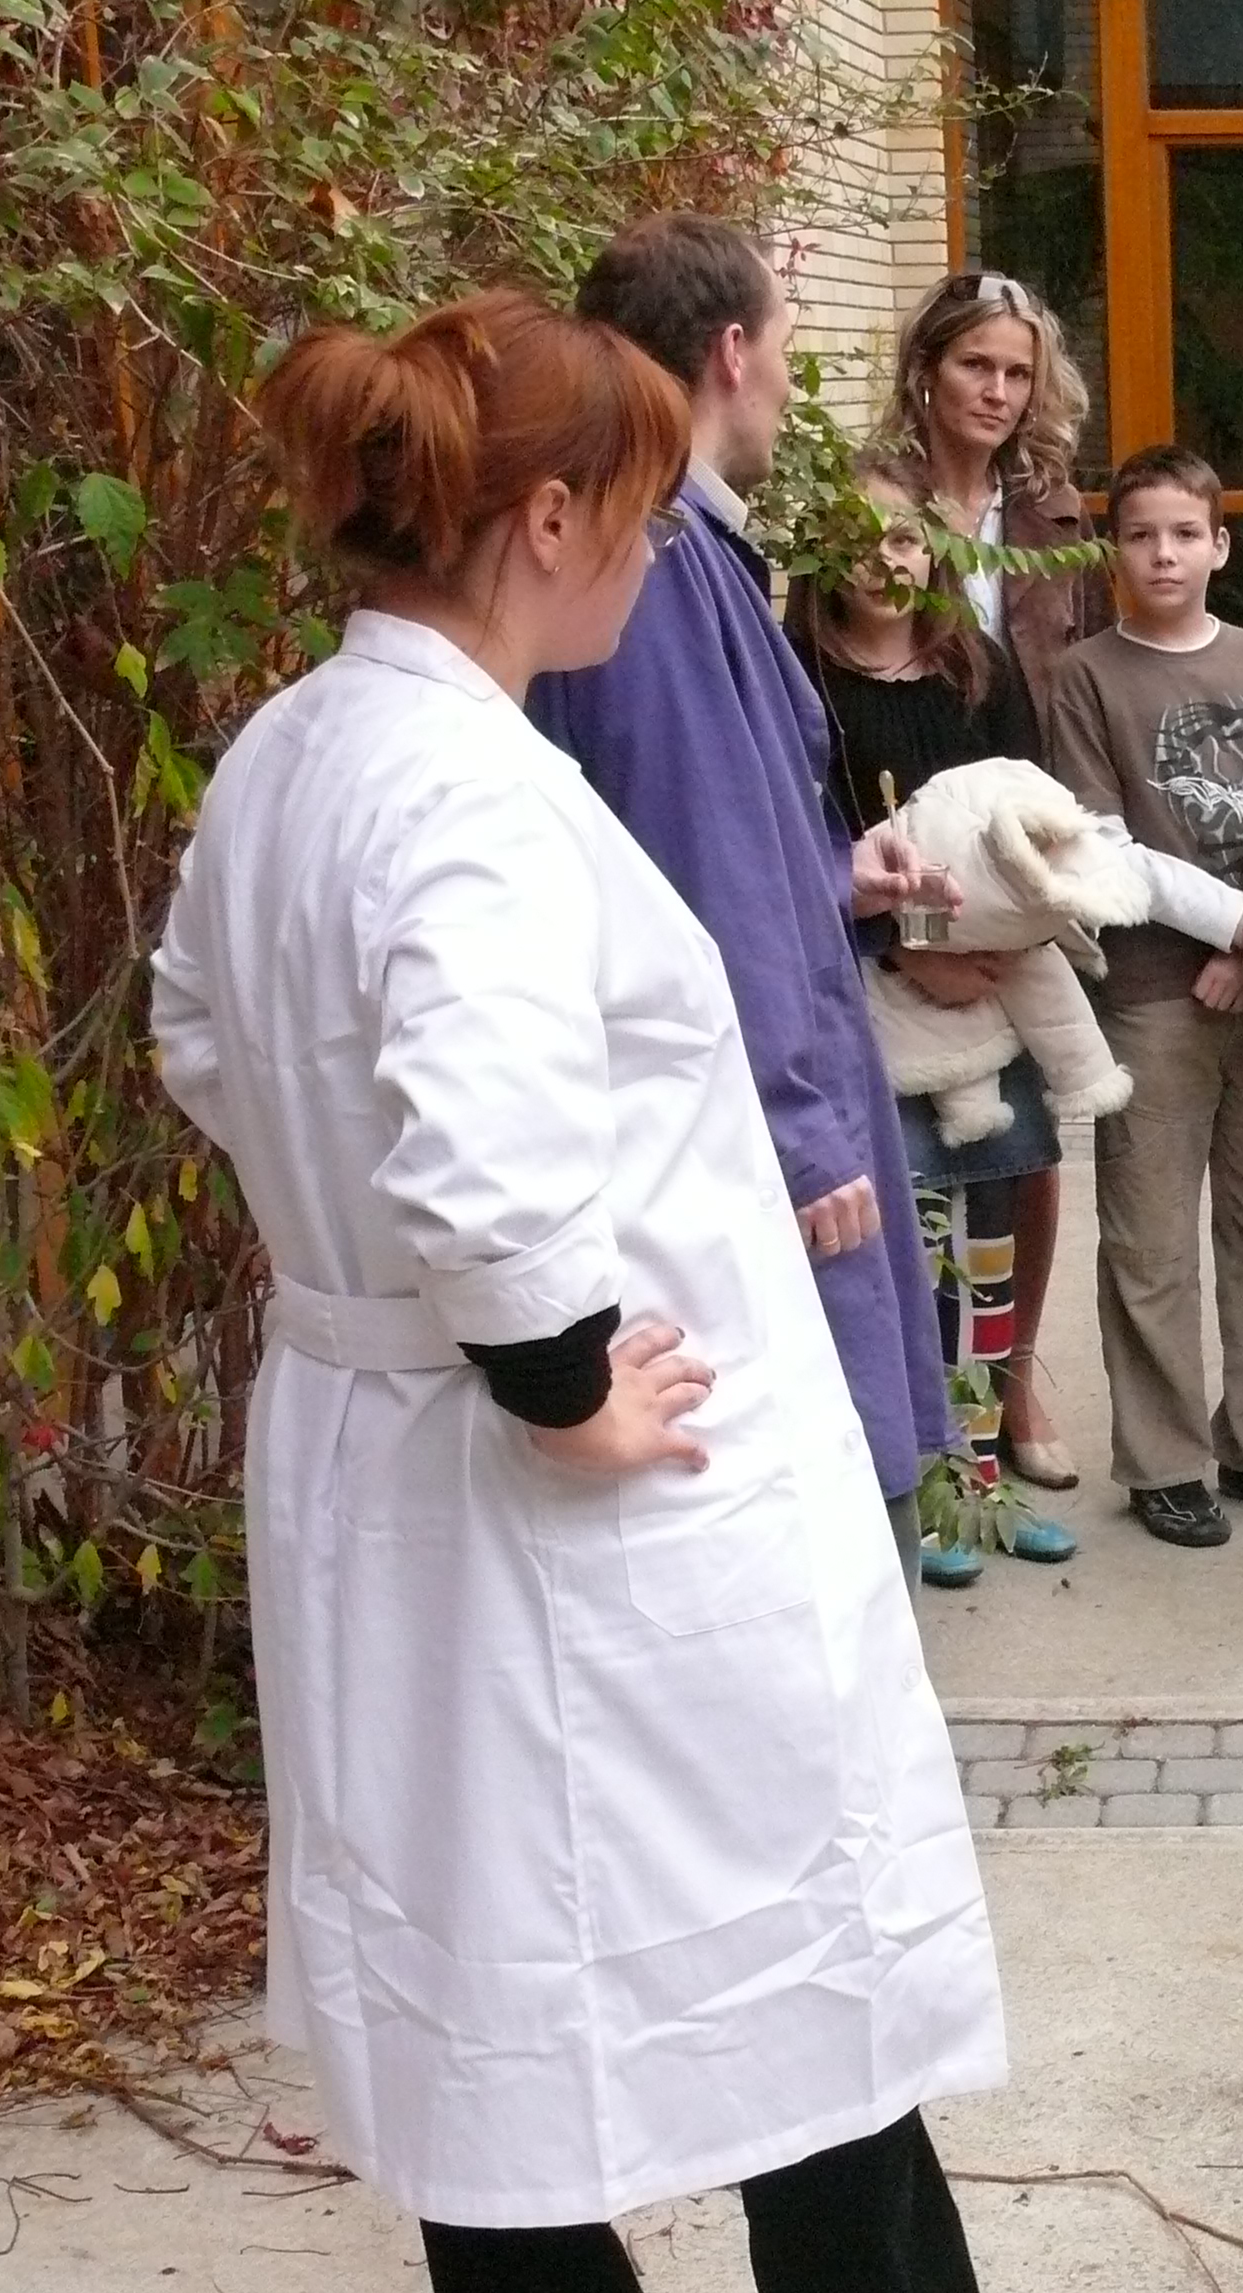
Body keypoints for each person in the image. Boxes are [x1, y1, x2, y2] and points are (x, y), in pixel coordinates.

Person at [152, 289, 1112, 2293]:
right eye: (648, 511)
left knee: (475, 1910)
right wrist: (560, 1373)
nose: (662, 551)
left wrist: (380, 1286)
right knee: (782, 1894)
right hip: (577, 1475)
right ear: (551, 518)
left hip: (375, 1442)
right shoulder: (469, 794)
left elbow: (202, 1034)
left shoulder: (298, 747)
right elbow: (485, 1157)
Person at [527, 214, 956, 1563]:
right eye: (782, 342)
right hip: (741, 1120)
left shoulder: (681, 551)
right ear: (729, 352)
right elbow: (695, 858)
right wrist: (800, 1129)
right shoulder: (653, 571)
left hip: (761, 1075)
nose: (782, 377)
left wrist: (836, 871)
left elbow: (726, 832)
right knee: (825, 1507)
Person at [1042, 444, 1243, 1550]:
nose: (1164, 554)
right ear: (1114, 552)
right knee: (1150, 1242)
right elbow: (1102, 847)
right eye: (1141, 535)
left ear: (1221, 545)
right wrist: (1240, 934)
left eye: (1185, 533)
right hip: (1150, 1000)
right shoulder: (1087, 678)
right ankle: (1165, 1460)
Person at [789, 454, 1079, 1582]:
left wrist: (999, 947)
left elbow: (1033, 814)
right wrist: (904, 947)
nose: (887, 561)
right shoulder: (804, 682)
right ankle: (927, 1488)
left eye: (907, 538)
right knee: (910, 1253)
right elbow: (802, 848)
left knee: (988, 1247)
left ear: (940, 552)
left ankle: (987, 1479)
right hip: (879, 1003)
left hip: (993, 1000)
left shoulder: (976, 671)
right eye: (861, 541)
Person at [870, 268, 1109, 1490]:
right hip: (903, 842)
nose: (999, 392)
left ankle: (1015, 1386)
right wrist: (894, 928)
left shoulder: (1054, 512)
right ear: (928, 368)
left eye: (1018, 373)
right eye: (976, 366)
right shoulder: (868, 501)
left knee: (1029, 1146)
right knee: (923, 1151)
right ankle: (929, 1402)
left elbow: (1082, 675)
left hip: (1024, 846)